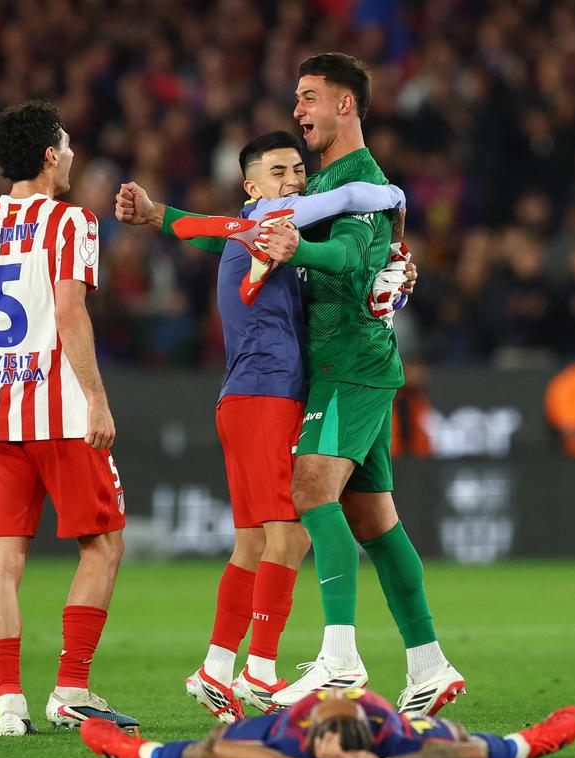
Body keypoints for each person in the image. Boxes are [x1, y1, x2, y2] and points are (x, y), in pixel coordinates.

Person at [114, 130, 409, 722]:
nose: (294, 180)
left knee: (254, 541)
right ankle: (262, 671)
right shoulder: (272, 217)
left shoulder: (259, 231)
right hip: (268, 392)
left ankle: (218, 669)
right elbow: (349, 195)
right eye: (278, 171)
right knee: (292, 534)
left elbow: (204, 233)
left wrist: (157, 216)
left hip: (248, 397)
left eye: (298, 170)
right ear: (251, 187)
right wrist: (392, 194)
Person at [0, 101, 138, 737]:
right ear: (49, 156)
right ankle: (71, 687)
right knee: (103, 545)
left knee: (1, 564)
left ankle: (8, 704)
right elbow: (70, 315)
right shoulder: (73, 223)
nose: (72, 155)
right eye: (66, 145)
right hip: (63, 414)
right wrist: (97, 400)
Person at [260, 53, 465, 714]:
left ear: (344, 105)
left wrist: (302, 251)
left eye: (309, 97)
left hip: (350, 360)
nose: (298, 111)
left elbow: (350, 259)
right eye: (297, 98)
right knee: (374, 518)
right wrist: (164, 217)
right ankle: (429, 664)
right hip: (350, 361)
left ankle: (341, 658)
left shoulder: (361, 178)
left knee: (310, 486)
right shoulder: (328, 183)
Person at [80, 687, 575, 758]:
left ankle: (528, 742)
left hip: (377, 716)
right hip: (298, 713)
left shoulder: (394, 736)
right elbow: (226, 750)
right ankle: (141, 754)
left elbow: (470, 754)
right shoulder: (287, 736)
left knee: (457, 734)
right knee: (217, 746)